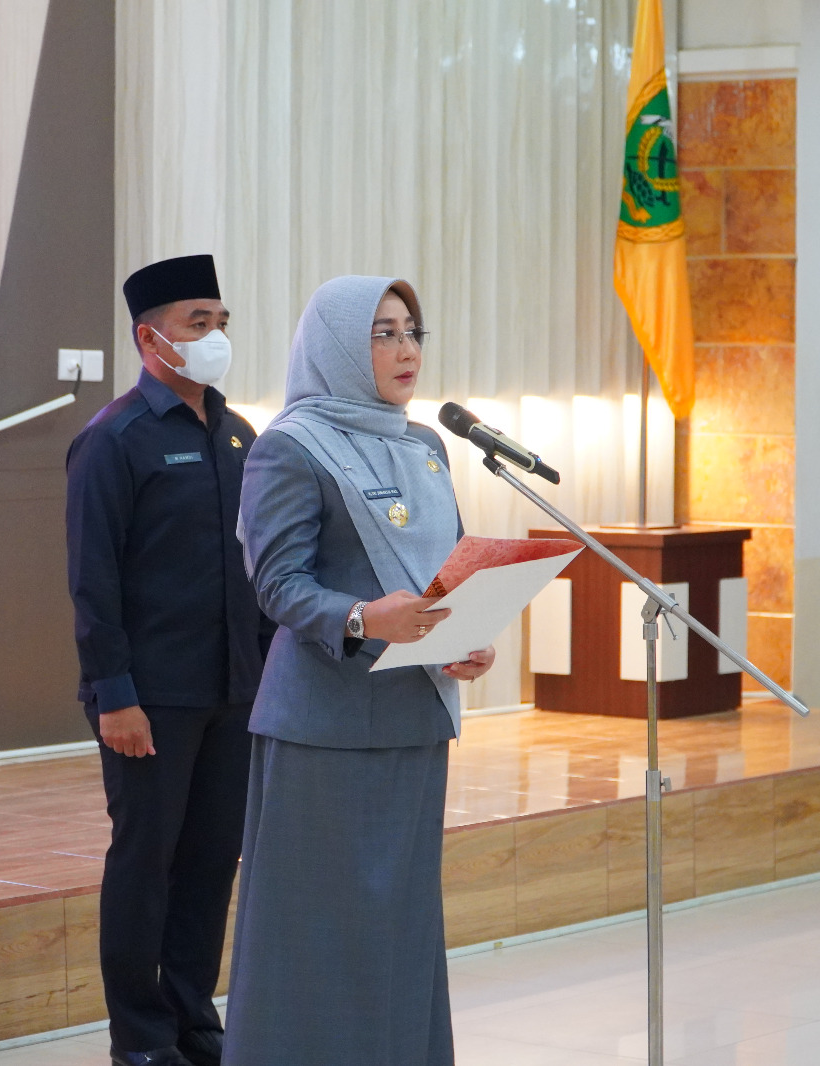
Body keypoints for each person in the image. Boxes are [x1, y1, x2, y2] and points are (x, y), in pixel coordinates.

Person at [224, 276, 495, 1066]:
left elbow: (447, 567)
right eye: (383, 333)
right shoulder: (290, 445)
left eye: (413, 331)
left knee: (400, 931)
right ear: (340, 344)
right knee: (317, 930)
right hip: (324, 728)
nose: (406, 349)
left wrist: (465, 635)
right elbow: (277, 584)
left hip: (414, 716)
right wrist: (359, 617)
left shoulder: (426, 445)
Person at [65, 254, 270, 1066]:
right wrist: (113, 696)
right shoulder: (112, 439)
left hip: (234, 691)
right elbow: (93, 582)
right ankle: (141, 1039)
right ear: (151, 337)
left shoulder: (238, 433)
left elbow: (254, 568)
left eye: (221, 321)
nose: (214, 336)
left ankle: (192, 1018)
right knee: (145, 863)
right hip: (150, 698)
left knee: (211, 862)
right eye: (198, 322)